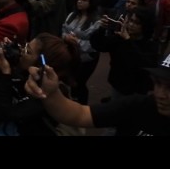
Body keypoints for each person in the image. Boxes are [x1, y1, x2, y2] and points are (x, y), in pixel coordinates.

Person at [24, 52, 170, 136]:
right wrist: (50, 92)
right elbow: (80, 114)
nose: (160, 94)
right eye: (158, 83)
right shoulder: (140, 106)